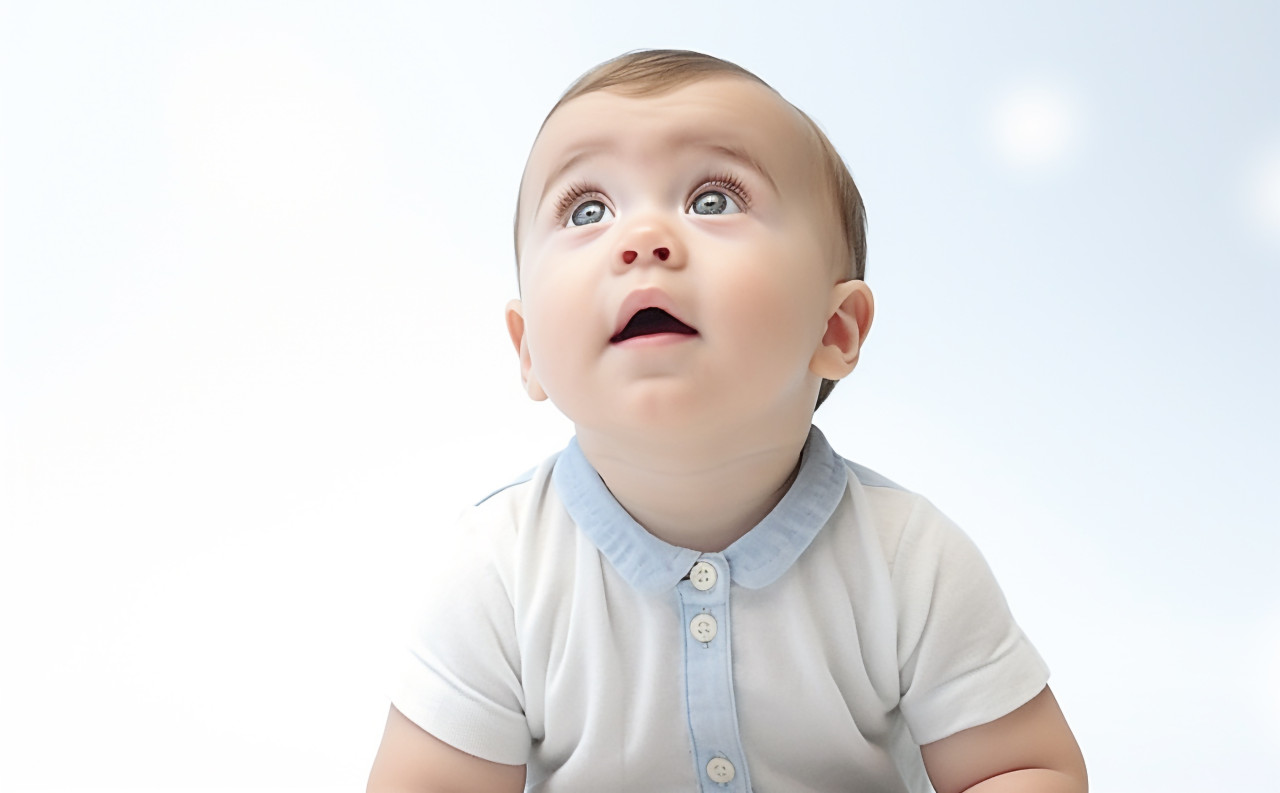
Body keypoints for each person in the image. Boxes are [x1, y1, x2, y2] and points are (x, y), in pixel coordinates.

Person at [366, 49, 1087, 793]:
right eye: (588, 209)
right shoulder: (500, 572)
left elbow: (1023, 767)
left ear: (835, 329)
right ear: (529, 352)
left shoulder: (908, 560)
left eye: (713, 200)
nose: (642, 239)